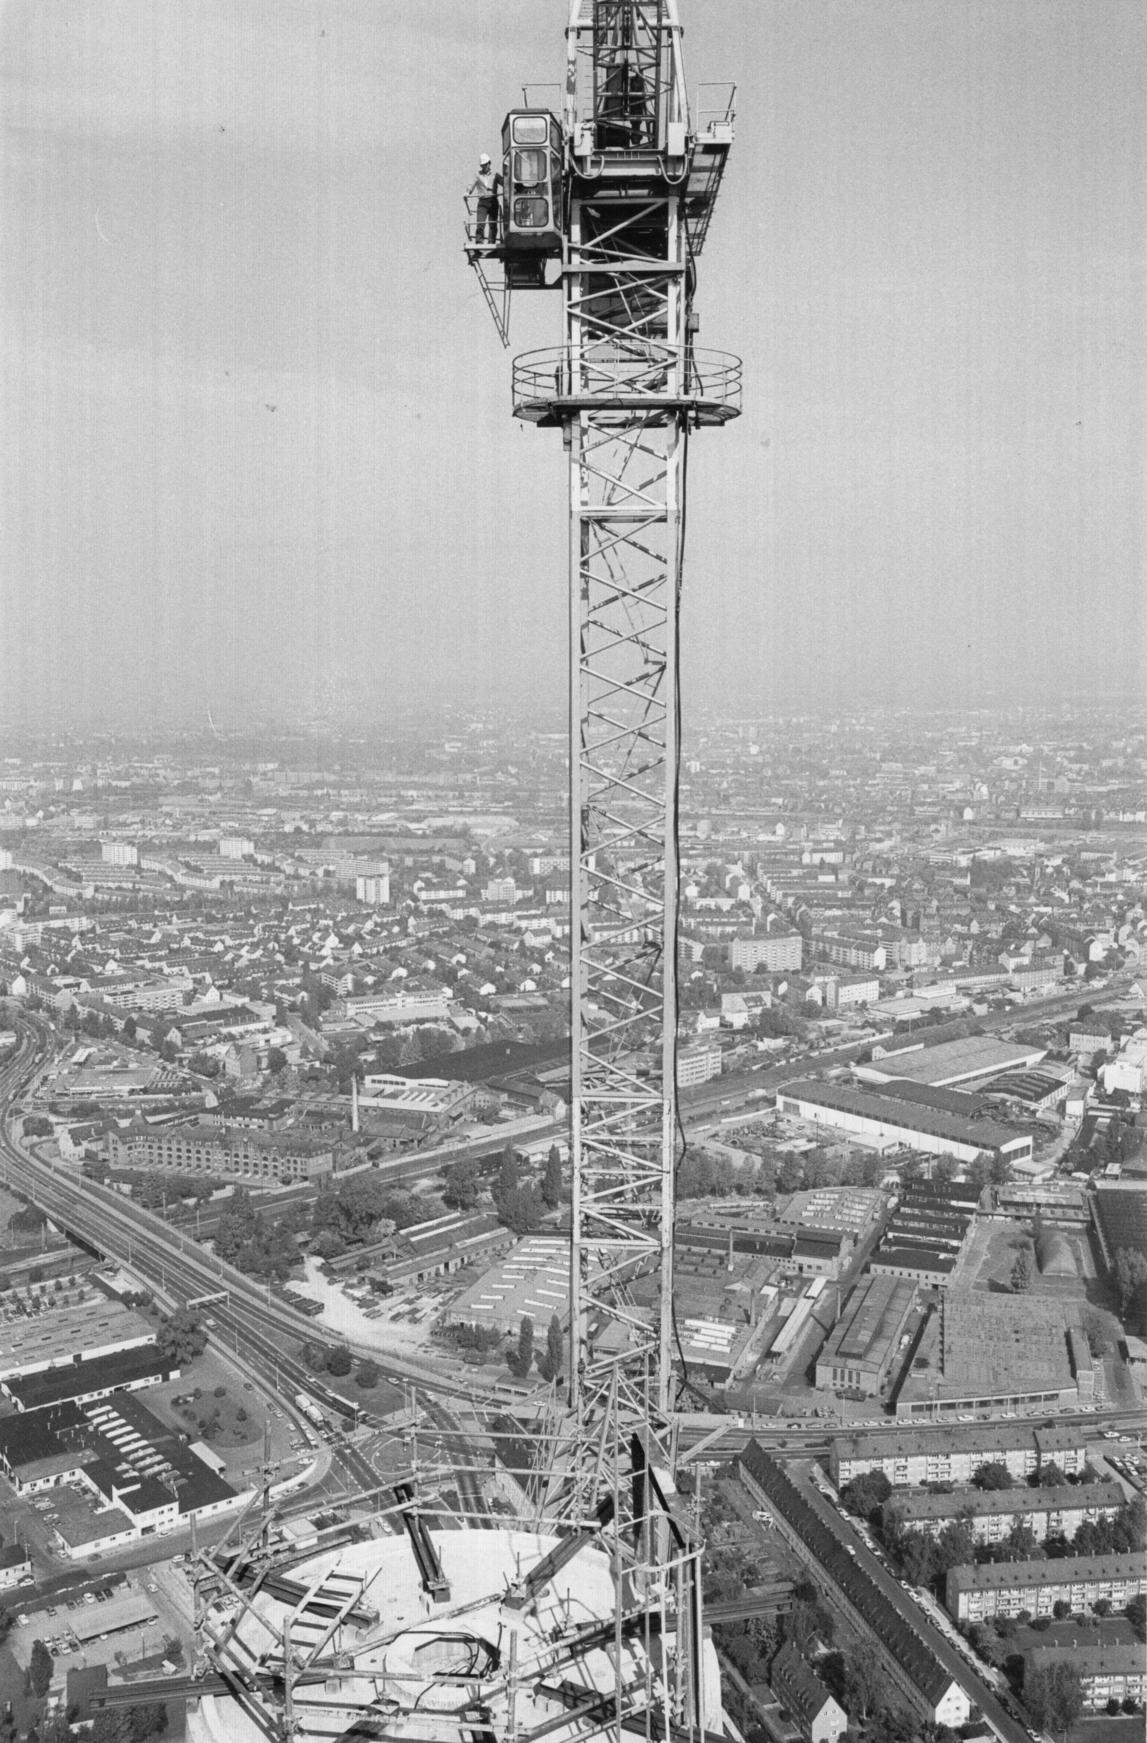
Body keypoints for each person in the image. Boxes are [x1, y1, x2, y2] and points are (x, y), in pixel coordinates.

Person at [467, 152, 502, 246]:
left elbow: (505, 183)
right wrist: (467, 192)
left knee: (493, 223)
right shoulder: (477, 175)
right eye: (482, 165)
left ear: (489, 163)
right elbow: (471, 185)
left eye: (485, 165)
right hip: (482, 202)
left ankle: (491, 242)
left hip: (493, 201)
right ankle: (479, 242)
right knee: (480, 223)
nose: (484, 167)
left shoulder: (495, 175)